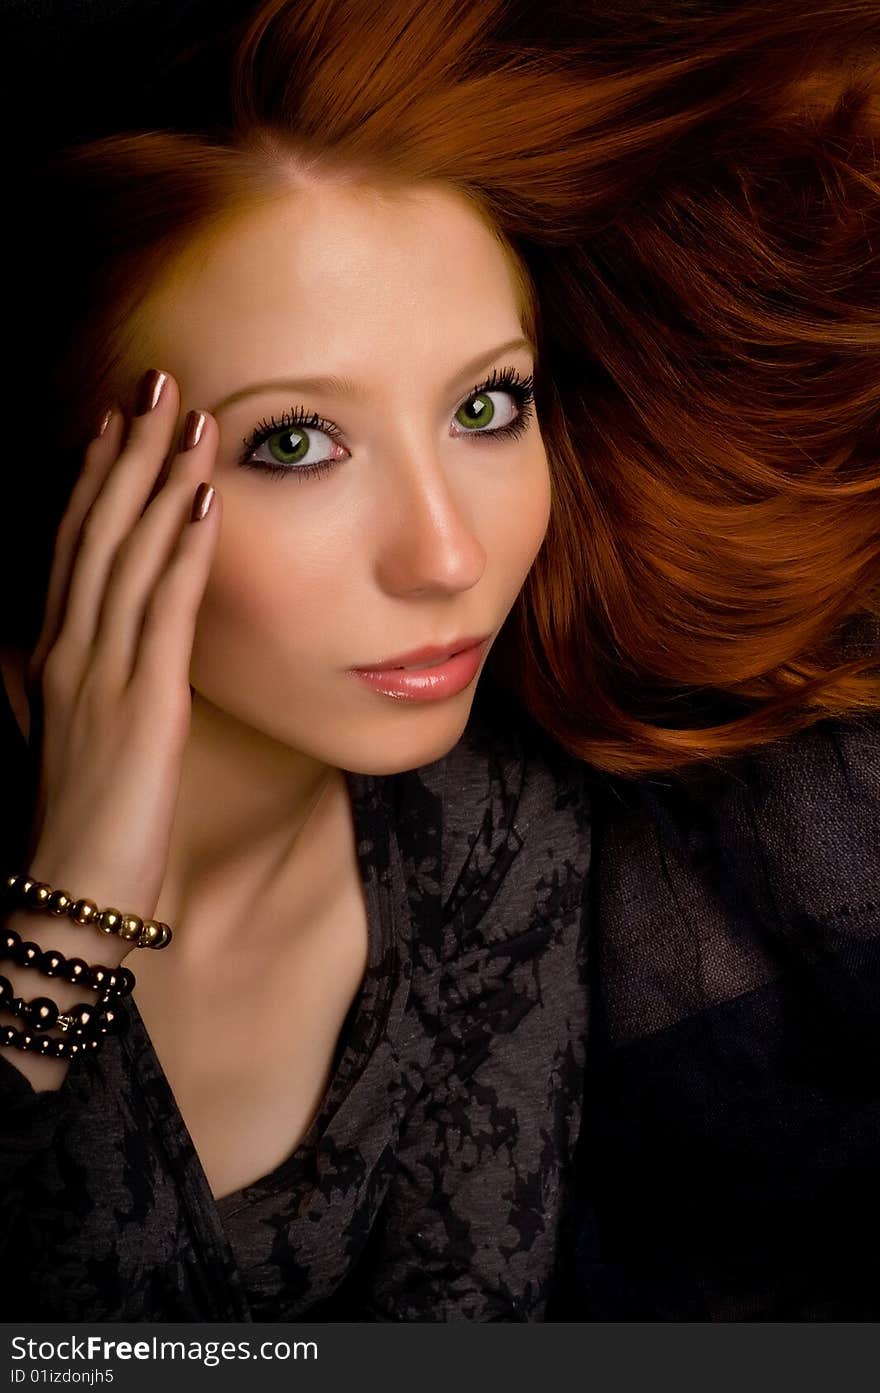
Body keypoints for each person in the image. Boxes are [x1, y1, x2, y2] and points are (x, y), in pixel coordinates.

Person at [2, 0, 879, 1322]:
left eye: (487, 406)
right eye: (295, 442)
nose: (448, 552)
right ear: (85, 477)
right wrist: (67, 923)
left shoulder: (491, 831)